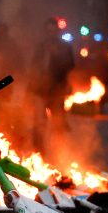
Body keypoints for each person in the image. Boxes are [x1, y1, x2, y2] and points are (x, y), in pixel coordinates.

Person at [27, 17, 74, 155]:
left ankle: (58, 151)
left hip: (56, 90)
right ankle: (39, 152)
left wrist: (57, 56)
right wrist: (30, 89)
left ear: (57, 32)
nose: (51, 34)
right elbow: (33, 67)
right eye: (48, 31)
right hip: (40, 90)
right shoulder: (40, 47)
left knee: (58, 123)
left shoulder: (65, 48)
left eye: (53, 31)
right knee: (39, 123)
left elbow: (70, 66)